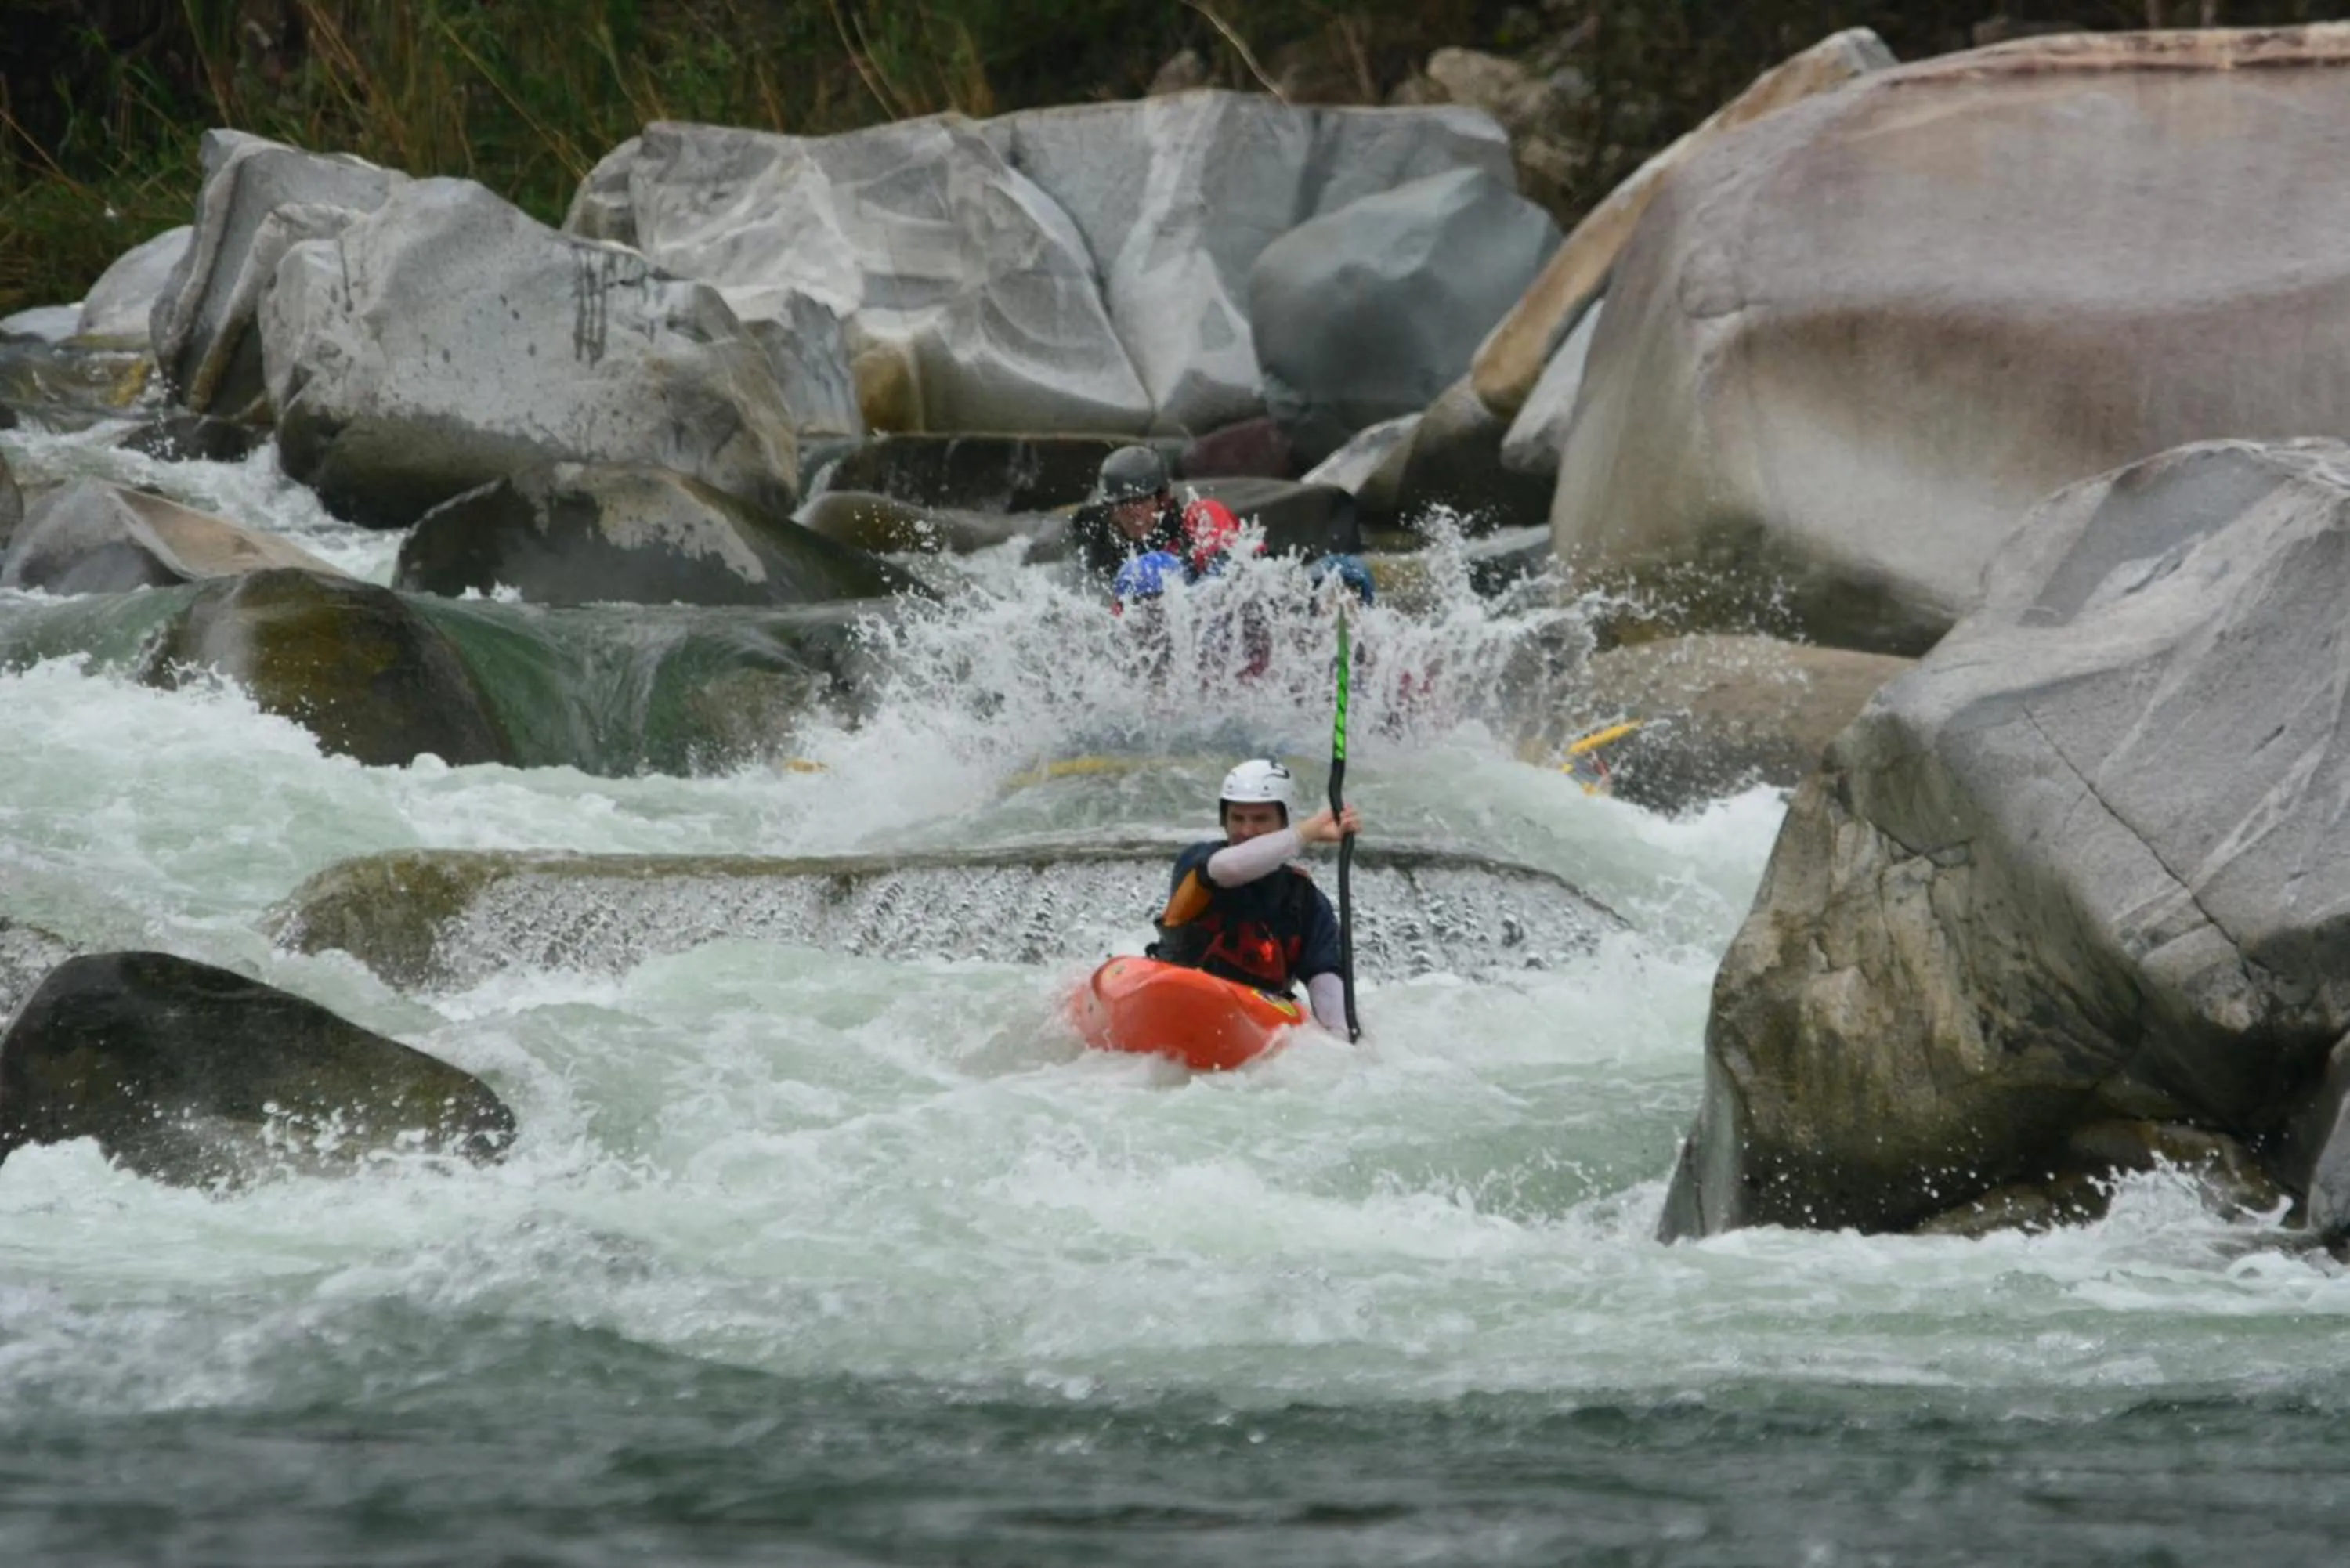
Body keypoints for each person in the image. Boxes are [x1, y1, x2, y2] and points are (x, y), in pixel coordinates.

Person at [1148, 757, 1362, 1035]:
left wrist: (1341, 1036)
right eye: (1237, 818)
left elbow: (1326, 979)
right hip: (1183, 994)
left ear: (1284, 821)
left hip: (1256, 1017)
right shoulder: (1198, 861)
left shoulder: (1304, 899)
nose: (1246, 831)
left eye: (1260, 819)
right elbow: (1229, 868)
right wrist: (1310, 831)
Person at [1080, 445, 1253, 610]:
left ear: (1163, 499)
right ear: (1112, 512)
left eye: (1141, 501)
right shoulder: (1115, 558)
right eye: (1123, 504)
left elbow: (1232, 575)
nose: (1134, 513)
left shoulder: (1202, 518)